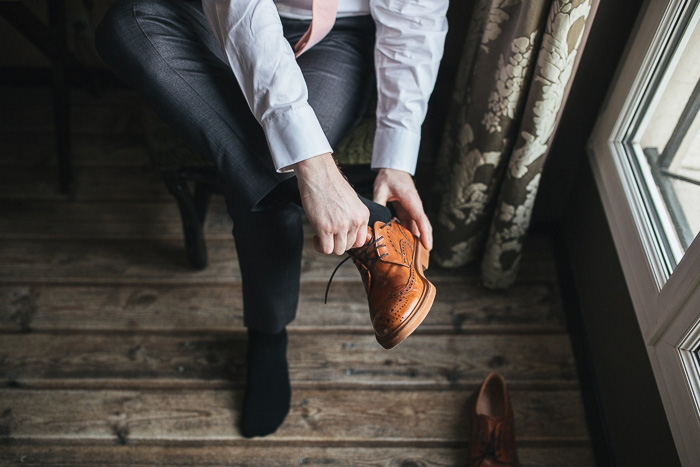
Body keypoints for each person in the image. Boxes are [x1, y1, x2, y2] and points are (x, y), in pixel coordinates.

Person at [95, 0, 448, 438]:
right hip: (212, 15)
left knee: (269, 163)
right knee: (127, 26)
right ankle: (374, 227)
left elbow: (415, 18)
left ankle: (267, 334)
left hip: (337, 36)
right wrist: (313, 170)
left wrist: (396, 158)